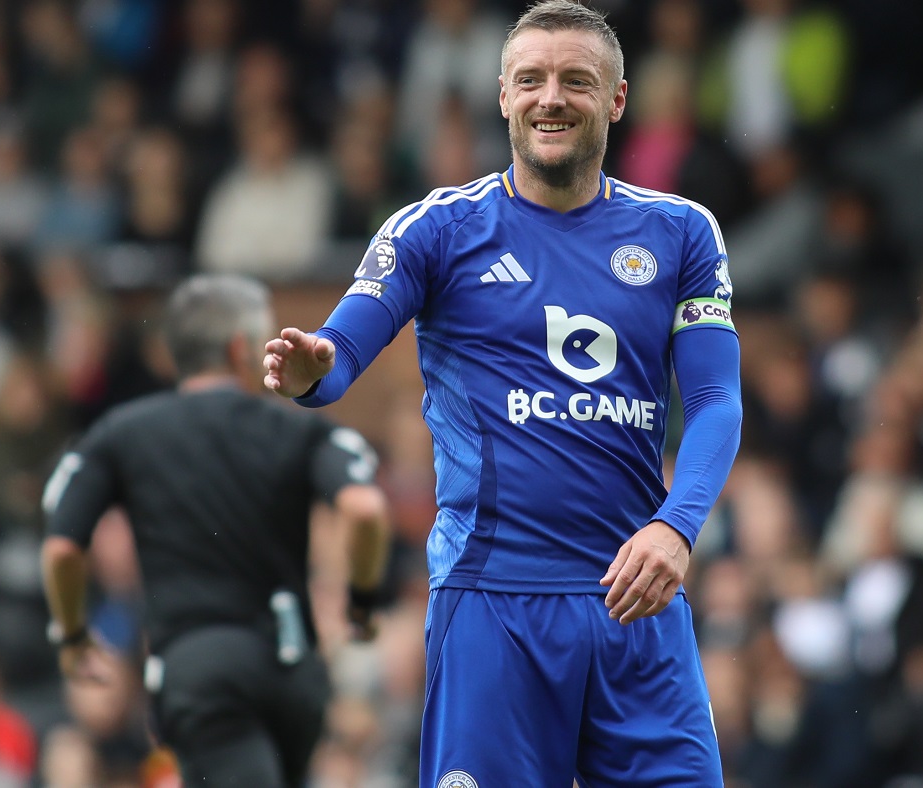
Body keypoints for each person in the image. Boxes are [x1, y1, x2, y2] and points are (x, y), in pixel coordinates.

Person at [263, 2, 742, 785]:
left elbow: (717, 400)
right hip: (495, 603)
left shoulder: (682, 232)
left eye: (576, 80)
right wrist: (315, 368)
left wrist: (677, 529)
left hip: (638, 598)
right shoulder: (436, 229)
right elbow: (340, 351)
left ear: (616, 100)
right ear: (503, 95)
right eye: (531, 79)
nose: (551, 97)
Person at [41, 274, 392, 787]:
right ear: (240, 349)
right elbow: (364, 508)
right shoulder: (302, 430)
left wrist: (72, 635)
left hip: (196, 669)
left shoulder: (120, 435)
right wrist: (360, 604)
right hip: (291, 666)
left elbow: (62, 548)